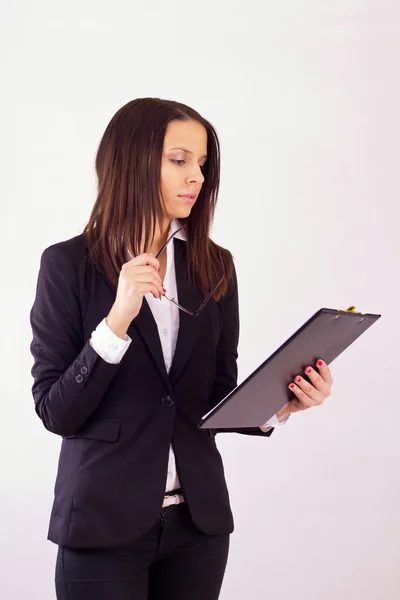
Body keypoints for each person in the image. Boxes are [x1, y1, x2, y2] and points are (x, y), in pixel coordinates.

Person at [29, 97, 334, 600]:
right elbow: (56, 412)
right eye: (179, 160)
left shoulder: (214, 265)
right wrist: (118, 318)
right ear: (132, 160)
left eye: (202, 163)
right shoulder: (68, 265)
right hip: (103, 528)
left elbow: (215, 395)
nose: (197, 176)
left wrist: (283, 403)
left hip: (198, 527)